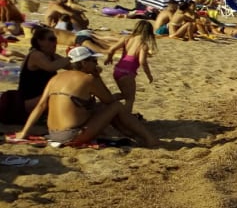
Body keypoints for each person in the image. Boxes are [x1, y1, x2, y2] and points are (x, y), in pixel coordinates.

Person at [13, 46, 158, 148]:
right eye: (93, 61)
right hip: (72, 135)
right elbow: (109, 101)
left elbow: (40, 106)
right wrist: (97, 76)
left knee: (101, 108)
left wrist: (24, 132)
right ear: (83, 63)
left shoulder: (56, 78)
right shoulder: (88, 79)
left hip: (53, 134)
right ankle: (149, 138)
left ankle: (130, 133)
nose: (96, 63)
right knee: (116, 107)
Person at [103, 20, 158, 114]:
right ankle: (127, 117)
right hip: (127, 73)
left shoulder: (126, 39)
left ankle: (106, 100)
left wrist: (109, 58)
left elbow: (111, 49)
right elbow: (142, 61)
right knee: (130, 98)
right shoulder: (143, 45)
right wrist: (149, 75)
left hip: (117, 70)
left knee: (124, 94)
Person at [16, 27, 70, 116]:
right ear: (40, 41)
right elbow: (50, 67)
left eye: (55, 39)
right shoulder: (36, 55)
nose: (55, 42)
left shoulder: (52, 56)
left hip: (42, 99)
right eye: (51, 39)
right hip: (29, 101)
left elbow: (71, 67)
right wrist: (71, 57)